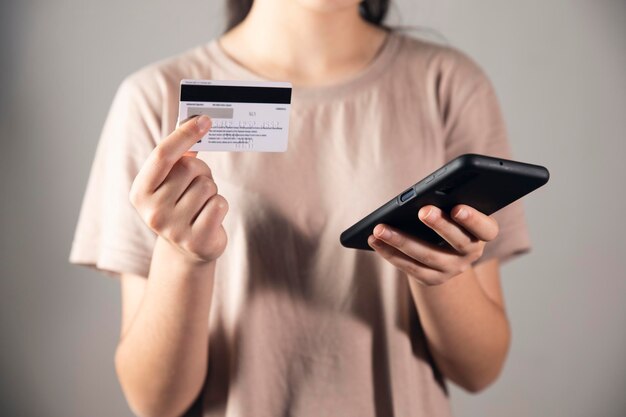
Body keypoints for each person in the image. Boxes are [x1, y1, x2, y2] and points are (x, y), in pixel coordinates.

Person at [70, 0, 531, 416]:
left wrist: (443, 274)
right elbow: (155, 401)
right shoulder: (155, 99)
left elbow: (479, 370)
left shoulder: (448, 84)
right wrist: (183, 257)